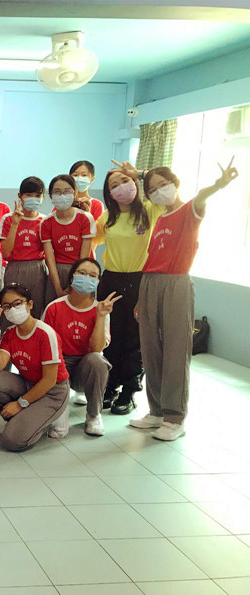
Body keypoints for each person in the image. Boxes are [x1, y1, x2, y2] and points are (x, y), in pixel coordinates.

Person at [119, 159, 239, 440]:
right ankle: (157, 411)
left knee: (175, 349)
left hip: (176, 284)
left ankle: (175, 417)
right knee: (151, 349)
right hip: (150, 283)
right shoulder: (160, 218)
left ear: (175, 184)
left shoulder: (189, 211)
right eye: (152, 189)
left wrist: (218, 184)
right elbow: (153, 258)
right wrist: (141, 299)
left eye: (164, 184)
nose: (159, 191)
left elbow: (202, 196)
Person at [91, 164, 164, 415]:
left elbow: (172, 187)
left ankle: (129, 392)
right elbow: (90, 239)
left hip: (138, 280)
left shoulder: (149, 210)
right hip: (110, 280)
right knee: (110, 337)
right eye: (114, 185)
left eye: (125, 181)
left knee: (135, 339)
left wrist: (142, 174)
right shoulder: (107, 218)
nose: (121, 187)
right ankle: (110, 386)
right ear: (109, 193)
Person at [0, 284, 70, 451]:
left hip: (53, 391)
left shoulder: (45, 334)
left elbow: (49, 380)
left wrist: (20, 404)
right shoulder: (10, 333)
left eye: (17, 304)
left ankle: (54, 415)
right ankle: (26, 419)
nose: (12, 309)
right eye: (7, 306)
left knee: (12, 440)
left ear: (29, 304)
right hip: (28, 383)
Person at [43, 258, 118, 436]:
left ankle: (94, 415)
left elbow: (96, 349)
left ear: (97, 282)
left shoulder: (100, 309)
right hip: (59, 366)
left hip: (84, 367)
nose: (87, 278)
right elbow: (45, 347)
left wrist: (101, 316)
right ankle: (59, 407)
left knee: (98, 360)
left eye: (93, 276)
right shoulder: (54, 308)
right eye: (82, 273)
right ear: (72, 277)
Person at [41, 174, 96, 301]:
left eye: (67, 191)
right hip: (56, 274)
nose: (62, 195)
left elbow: (83, 258)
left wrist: (73, 286)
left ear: (75, 193)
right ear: (51, 195)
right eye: (57, 192)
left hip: (81, 272)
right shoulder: (46, 222)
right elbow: (50, 260)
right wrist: (58, 289)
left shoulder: (85, 218)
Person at [0, 176, 47, 318]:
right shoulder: (8, 219)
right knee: (12, 310)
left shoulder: (45, 221)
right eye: (29, 195)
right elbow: (6, 253)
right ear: (20, 196)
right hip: (15, 268)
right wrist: (15, 224)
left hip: (38, 269)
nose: (33, 198)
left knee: (35, 310)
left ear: (43, 197)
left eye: (37, 195)